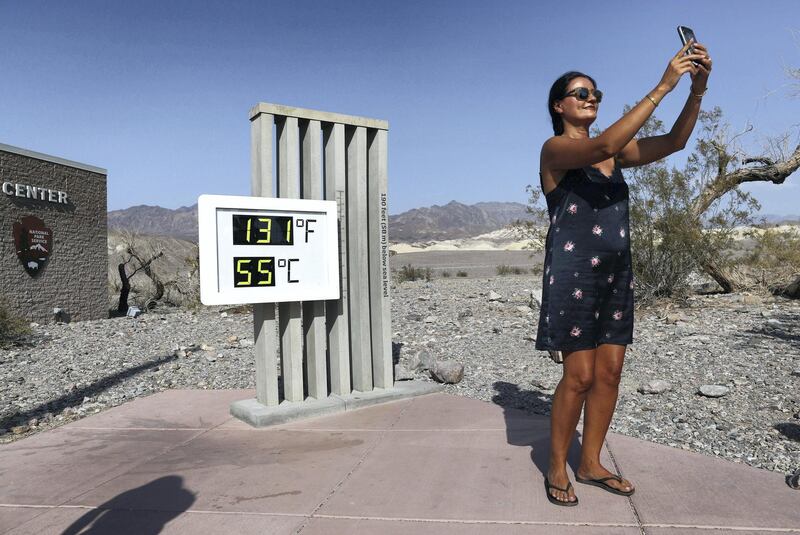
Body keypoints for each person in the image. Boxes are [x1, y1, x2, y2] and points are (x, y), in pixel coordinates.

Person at [536, 40, 712, 506]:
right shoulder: (556, 149)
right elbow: (607, 142)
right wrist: (664, 85)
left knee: (610, 372)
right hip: (575, 277)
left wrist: (697, 89)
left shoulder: (612, 156)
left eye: (596, 93)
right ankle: (557, 464)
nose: (591, 97)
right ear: (560, 105)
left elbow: (675, 143)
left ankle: (590, 462)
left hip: (616, 275)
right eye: (580, 93)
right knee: (579, 375)